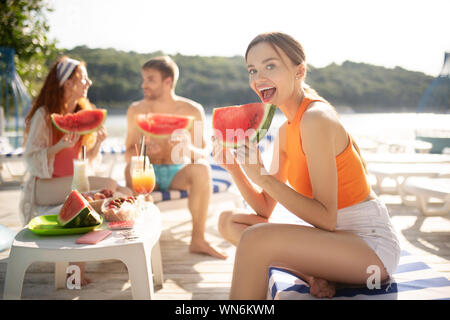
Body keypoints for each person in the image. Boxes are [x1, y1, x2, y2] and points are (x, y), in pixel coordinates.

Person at [213, 32, 401, 299]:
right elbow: (264, 208)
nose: (258, 78)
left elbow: (326, 218)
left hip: (370, 250)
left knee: (256, 239)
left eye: (270, 66)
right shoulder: (285, 131)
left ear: (298, 71)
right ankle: (314, 274)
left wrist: (263, 176)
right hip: (332, 243)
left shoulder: (315, 119)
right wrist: (234, 168)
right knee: (228, 221)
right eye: (252, 70)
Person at [20, 56, 129, 285]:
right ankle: (75, 269)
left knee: (122, 189)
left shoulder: (82, 112)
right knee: (109, 186)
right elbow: (30, 158)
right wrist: (58, 147)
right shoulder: (43, 115)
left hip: (73, 183)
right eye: (82, 78)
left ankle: (123, 246)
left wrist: (97, 144)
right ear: (67, 83)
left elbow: (84, 163)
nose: (88, 82)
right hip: (46, 187)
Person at [124, 55, 227, 259]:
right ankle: (134, 239)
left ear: (168, 81)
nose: (144, 85)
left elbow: (203, 153)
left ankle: (198, 239)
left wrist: (188, 148)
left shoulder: (192, 111)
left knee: (202, 169)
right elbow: (128, 153)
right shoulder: (137, 110)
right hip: (146, 172)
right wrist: (143, 151)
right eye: (143, 79)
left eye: (150, 80)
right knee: (131, 167)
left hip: (176, 174)